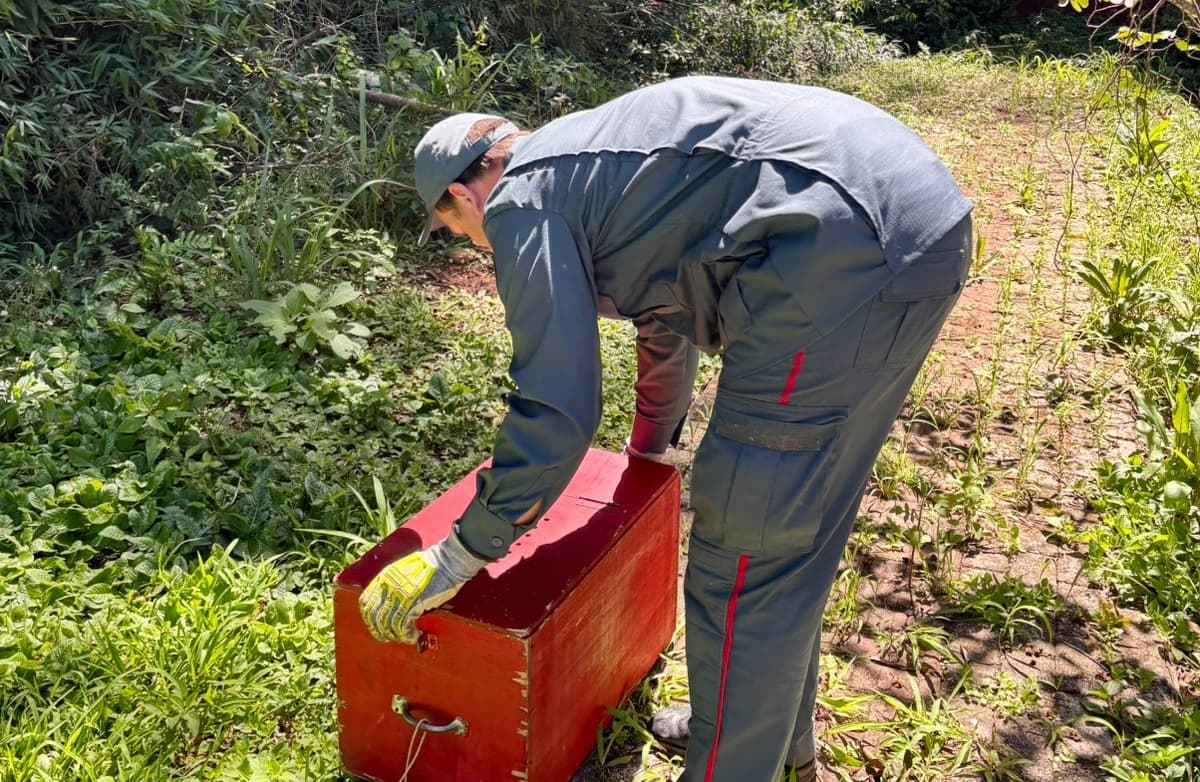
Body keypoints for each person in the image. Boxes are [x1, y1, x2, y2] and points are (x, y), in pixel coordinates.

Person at [358, 75, 973, 782]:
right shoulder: (597, 167)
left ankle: (732, 764)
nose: (474, 244)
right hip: (915, 217)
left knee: (746, 547)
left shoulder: (521, 202)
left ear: (465, 195)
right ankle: (768, 744)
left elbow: (555, 400)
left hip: (840, 246)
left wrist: (461, 554)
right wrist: (647, 453)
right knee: (794, 537)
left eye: (460, 232)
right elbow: (665, 319)